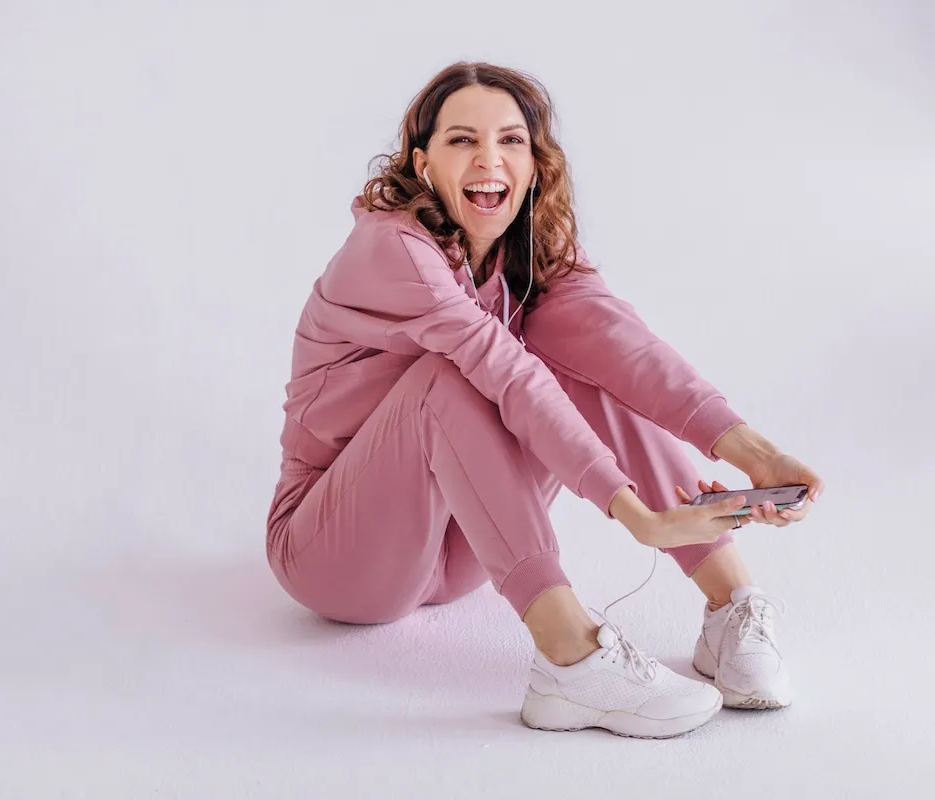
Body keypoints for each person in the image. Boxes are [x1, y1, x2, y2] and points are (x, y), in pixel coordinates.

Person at [263, 61, 824, 739]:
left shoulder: (531, 248)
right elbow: (504, 372)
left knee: (587, 358)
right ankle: (570, 658)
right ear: (423, 163)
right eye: (462, 140)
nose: (488, 159)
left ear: (534, 164)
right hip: (334, 554)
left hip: (461, 551)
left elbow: (626, 350)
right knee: (447, 377)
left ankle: (730, 604)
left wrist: (753, 453)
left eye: (511, 141)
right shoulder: (391, 248)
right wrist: (635, 514)